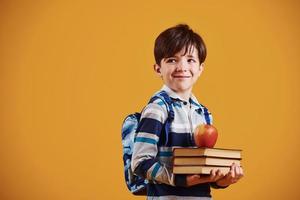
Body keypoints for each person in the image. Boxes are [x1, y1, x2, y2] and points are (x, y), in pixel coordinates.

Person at [131, 24, 243, 199]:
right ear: (158, 68)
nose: (182, 67)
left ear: (200, 68)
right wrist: (180, 180)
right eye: (172, 60)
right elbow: (140, 163)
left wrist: (223, 180)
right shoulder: (157, 109)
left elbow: (201, 172)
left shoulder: (204, 113)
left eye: (190, 60)